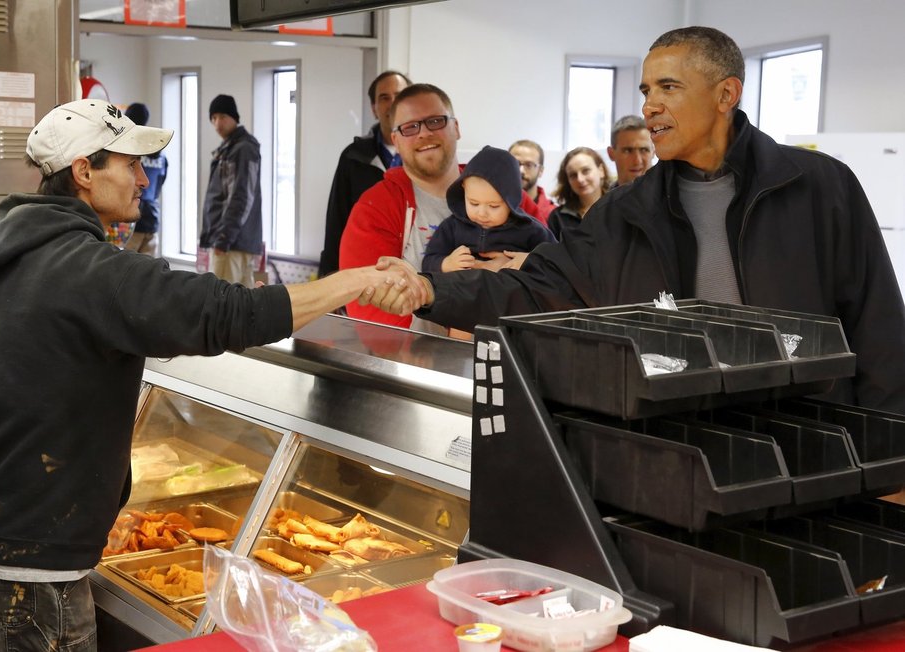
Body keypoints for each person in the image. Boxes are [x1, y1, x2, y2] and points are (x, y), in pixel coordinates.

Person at [0, 99, 423, 651]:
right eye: (129, 164)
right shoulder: (94, 272)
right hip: (29, 571)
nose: (144, 178)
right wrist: (354, 281)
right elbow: (233, 314)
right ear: (84, 173)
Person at [371, 26, 905, 414]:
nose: (650, 106)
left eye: (669, 88)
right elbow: (533, 291)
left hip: (816, 445)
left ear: (726, 94)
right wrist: (429, 290)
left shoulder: (818, 186)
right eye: (646, 90)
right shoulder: (624, 213)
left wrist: (888, 454)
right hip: (684, 445)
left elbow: (878, 325)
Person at [339, 83, 463, 332]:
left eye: (436, 121)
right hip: (418, 363)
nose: (424, 133)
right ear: (395, 139)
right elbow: (370, 310)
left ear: (456, 127)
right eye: (410, 127)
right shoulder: (375, 208)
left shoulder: (499, 193)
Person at [319, 71, 412, 277]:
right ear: (374, 108)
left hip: (419, 271)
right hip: (366, 269)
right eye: (384, 98)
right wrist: (330, 275)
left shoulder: (425, 153)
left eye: (399, 95)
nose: (392, 103)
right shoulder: (354, 157)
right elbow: (337, 218)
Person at [422, 146, 554, 274]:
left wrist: (528, 261)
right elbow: (428, 261)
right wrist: (445, 264)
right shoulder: (452, 226)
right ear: (463, 190)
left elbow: (557, 261)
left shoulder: (530, 229)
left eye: (493, 206)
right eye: (474, 203)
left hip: (511, 294)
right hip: (461, 294)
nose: (482, 213)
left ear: (511, 201)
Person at [199, 94, 264, 287]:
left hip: (231, 243)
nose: (218, 123)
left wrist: (224, 237)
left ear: (234, 117)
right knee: (240, 304)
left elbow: (241, 196)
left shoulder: (242, 149)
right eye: (214, 118)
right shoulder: (230, 148)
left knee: (223, 303)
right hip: (235, 241)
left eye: (222, 117)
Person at [123, 102, 167, 256]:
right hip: (153, 219)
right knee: (148, 273)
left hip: (132, 221)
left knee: (127, 272)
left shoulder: (131, 151)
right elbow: (159, 185)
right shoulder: (160, 155)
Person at [546, 146, 609, 239]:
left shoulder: (618, 208)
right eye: (573, 175)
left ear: (601, 171)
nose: (580, 179)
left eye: (586, 171)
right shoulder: (558, 217)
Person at [509, 139, 555, 225]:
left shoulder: (554, 215)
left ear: (540, 171)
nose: (521, 170)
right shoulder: (491, 208)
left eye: (529, 165)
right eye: (515, 163)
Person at [607, 114, 654, 188]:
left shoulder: (673, 196)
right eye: (628, 151)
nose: (637, 161)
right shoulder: (603, 199)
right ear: (611, 154)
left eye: (644, 150)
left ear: (654, 152)